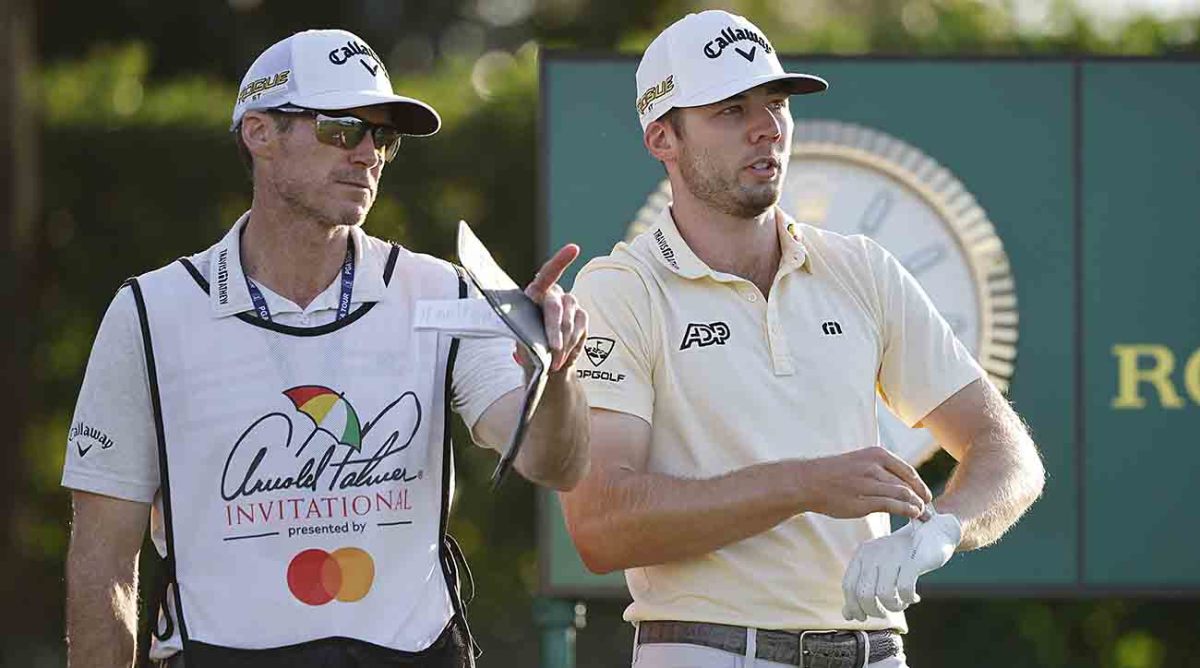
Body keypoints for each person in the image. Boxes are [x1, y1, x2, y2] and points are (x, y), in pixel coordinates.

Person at [62, 29, 590, 668]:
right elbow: (104, 560)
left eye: (383, 138)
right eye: (343, 129)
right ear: (260, 133)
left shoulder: (439, 290)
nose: (368, 153)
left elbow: (554, 463)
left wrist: (556, 373)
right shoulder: (151, 312)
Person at [561, 10, 1045, 668]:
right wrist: (804, 485)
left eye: (776, 103)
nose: (767, 127)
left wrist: (942, 529)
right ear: (661, 138)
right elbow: (602, 524)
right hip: (708, 649)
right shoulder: (622, 289)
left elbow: (1007, 452)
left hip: (876, 651)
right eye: (731, 110)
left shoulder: (859, 267)